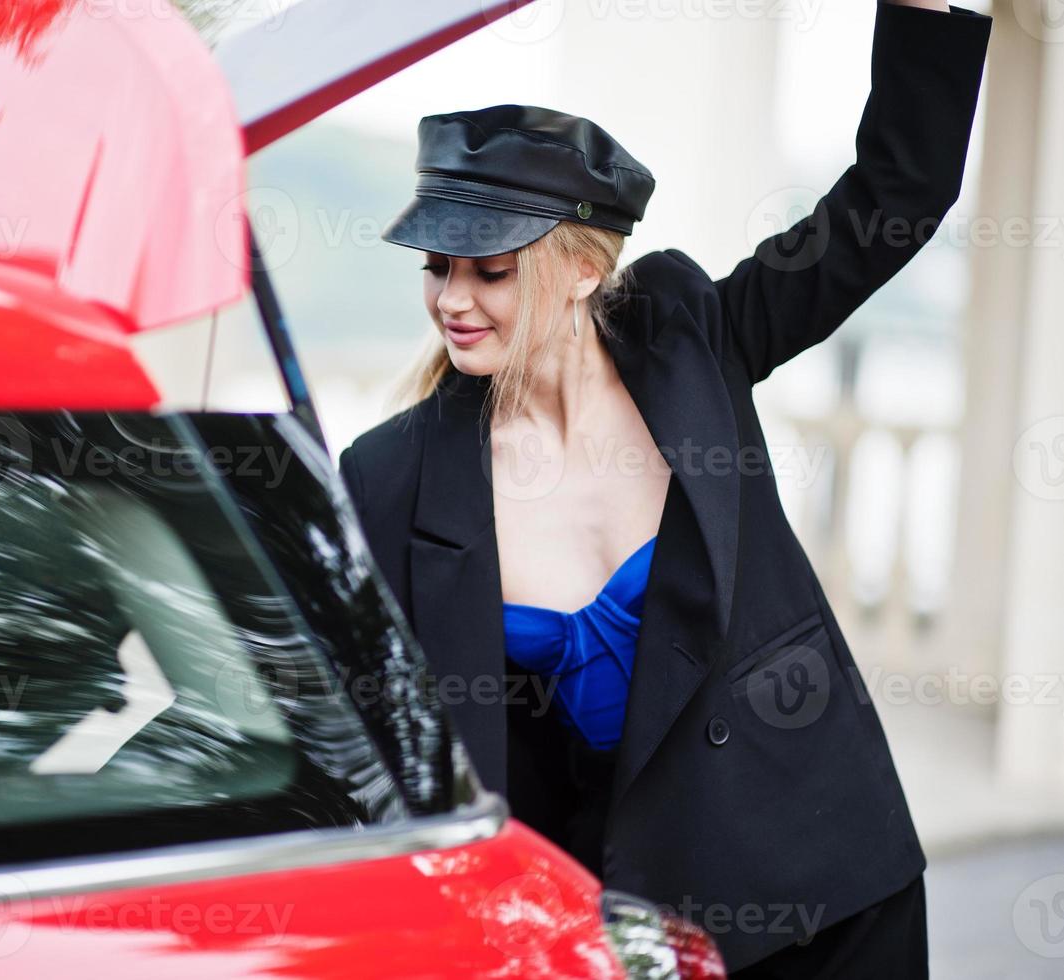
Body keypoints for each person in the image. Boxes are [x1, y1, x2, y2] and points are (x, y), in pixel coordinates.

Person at [335, 2, 991, 975]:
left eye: (490, 269)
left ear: (582, 270)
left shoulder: (692, 335)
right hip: (653, 936)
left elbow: (888, 201)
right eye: (437, 266)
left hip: (836, 877)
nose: (452, 300)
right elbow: (376, 738)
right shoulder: (390, 474)